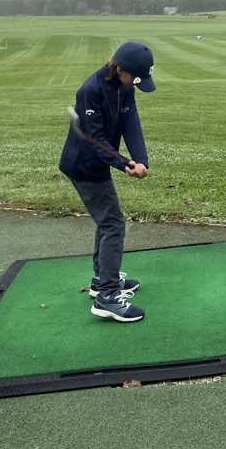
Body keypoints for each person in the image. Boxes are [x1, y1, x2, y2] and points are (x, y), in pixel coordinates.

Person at [59, 41, 155, 323]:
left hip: (98, 163)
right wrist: (124, 164)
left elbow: (131, 121)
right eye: (135, 79)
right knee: (113, 224)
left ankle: (102, 280)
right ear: (119, 69)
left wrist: (141, 159)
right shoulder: (90, 91)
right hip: (84, 166)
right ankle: (108, 296)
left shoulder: (125, 87)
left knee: (107, 222)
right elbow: (95, 139)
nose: (136, 85)